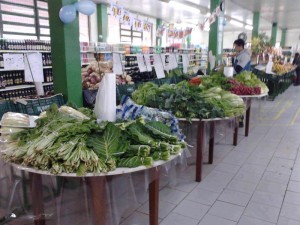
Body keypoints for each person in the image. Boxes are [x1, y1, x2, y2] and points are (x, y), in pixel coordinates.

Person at [231, 39, 251, 127]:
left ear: (240, 46)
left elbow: (238, 69)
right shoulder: (240, 54)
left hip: (242, 81)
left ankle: (240, 121)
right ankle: (236, 119)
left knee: (241, 101)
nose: (234, 48)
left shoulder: (245, 56)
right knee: (236, 100)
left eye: (235, 46)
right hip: (237, 80)